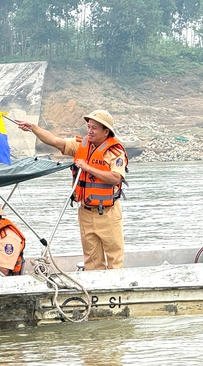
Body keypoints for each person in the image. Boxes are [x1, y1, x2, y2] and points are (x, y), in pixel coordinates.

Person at [17, 110, 128, 270]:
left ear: (106, 131)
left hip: (108, 213)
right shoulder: (80, 146)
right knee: (92, 260)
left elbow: (116, 177)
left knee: (114, 258)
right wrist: (34, 128)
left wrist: (88, 168)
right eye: (88, 127)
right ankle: (93, 289)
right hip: (85, 212)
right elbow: (55, 141)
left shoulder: (115, 153)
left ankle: (116, 289)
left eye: (94, 128)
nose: (89, 131)